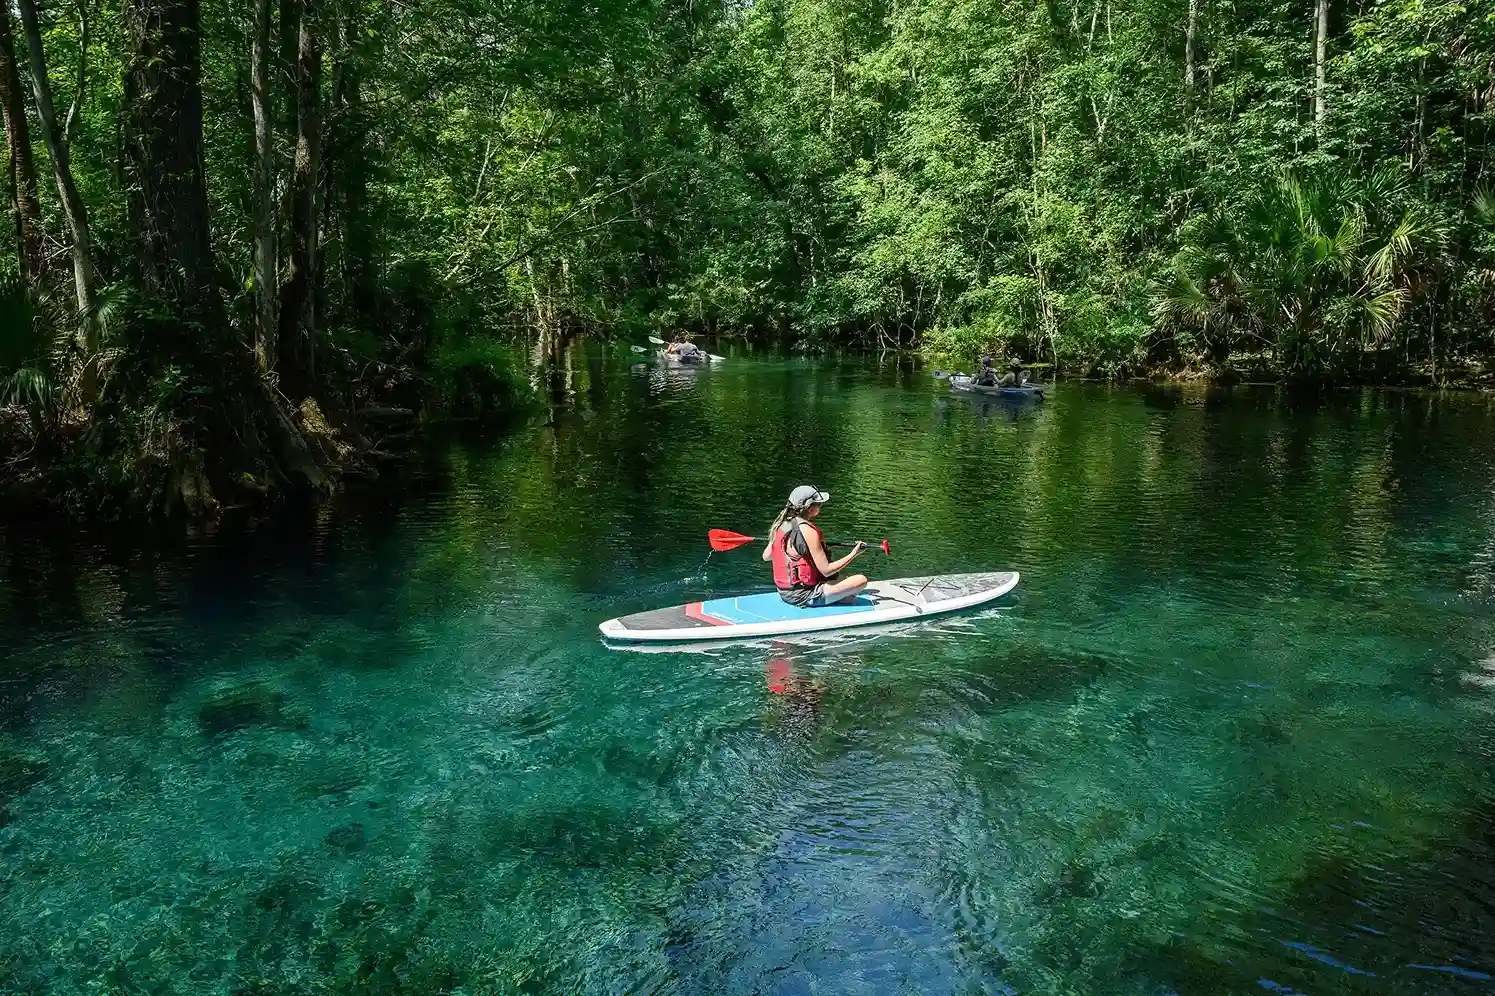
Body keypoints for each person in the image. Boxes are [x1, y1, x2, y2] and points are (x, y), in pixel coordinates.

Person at [761, 485, 869, 607]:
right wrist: (854, 553)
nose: (820, 507)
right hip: (804, 596)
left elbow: (767, 556)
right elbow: (827, 571)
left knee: (843, 578)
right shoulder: (808, 531)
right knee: (861, 580)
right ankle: (831, 598)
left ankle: (838, 597)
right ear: (810, 509)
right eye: (819, 504)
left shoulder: (783, 525)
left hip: (784, 592)